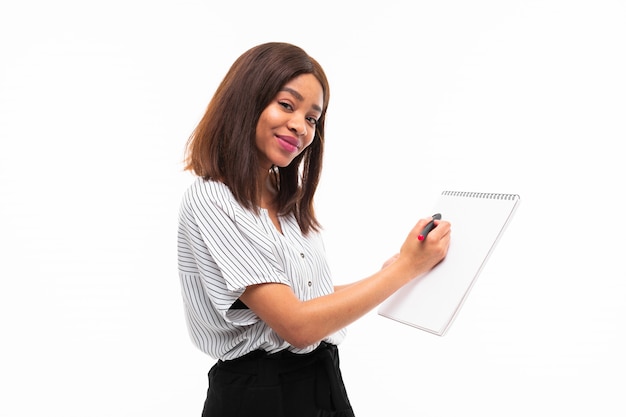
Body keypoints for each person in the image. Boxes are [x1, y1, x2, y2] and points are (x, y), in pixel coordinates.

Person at [177, 42, 451, 417]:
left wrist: (391, 274)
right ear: (246, 102)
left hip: (321, 381)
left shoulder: (284, 199)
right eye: (287, 105)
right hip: (259, 397)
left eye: (312, 118)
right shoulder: (212, 200)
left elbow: (305, 301)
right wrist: (406, 267)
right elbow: (297, 325)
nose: (300, 126)